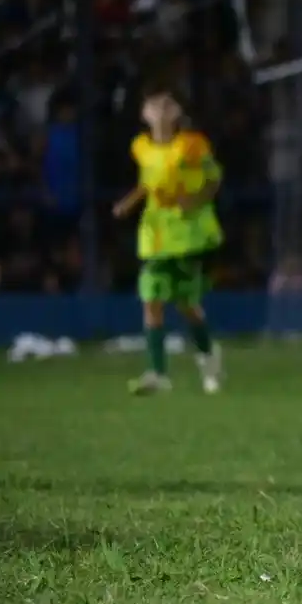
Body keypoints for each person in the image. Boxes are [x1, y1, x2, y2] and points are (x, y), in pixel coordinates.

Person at [113, 90, 225, 395]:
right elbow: (148, 182)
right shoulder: (141, 147)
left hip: (187, 235)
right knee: (151, 298)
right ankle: (157, 373)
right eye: (153, 104)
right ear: (144, 115)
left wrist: (195, 199)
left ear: (176, 114)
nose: (160, 108)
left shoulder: (192, 145)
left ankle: (208, 357)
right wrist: (130, 201)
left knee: (187, 304)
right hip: (155, 234)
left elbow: (214, 179)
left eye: (167, 104)